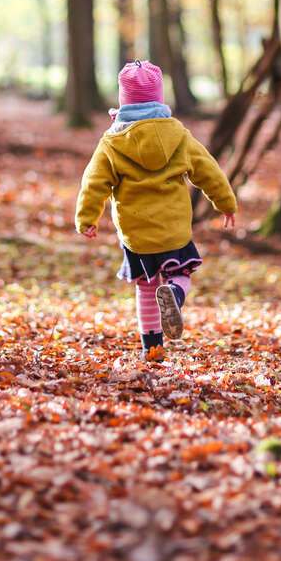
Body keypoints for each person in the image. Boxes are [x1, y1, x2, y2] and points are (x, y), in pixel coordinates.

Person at [75, 60, 237, 360]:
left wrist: (87, 218)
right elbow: (208, 171)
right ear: (159, 97)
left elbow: (94, 182)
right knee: (182, 274)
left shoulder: (112, 142)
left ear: (123, 99)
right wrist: (225, 203)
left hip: (136, 236)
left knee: (146, 289)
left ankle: (152, 348)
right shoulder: (179, 135)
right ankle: (175, 293)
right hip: (173, 231)